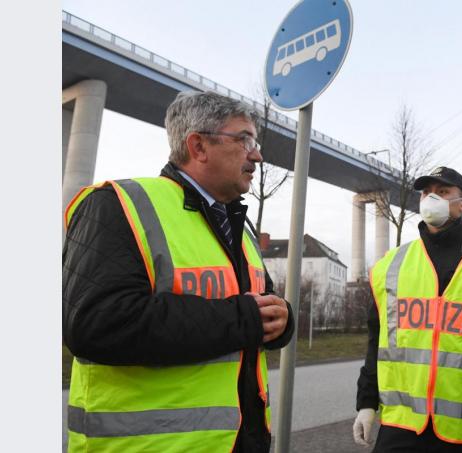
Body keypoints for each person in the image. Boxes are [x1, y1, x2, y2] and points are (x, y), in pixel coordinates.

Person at [63, 91, 295, 452]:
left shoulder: (240, 226)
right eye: (245, 139)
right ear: (199, 146)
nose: (257, 154)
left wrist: (281, 320)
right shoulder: (116, 205)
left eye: (256, 141)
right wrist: (244, 318)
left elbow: (259, 307)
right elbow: (96, 322)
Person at [352, 167, 462, 452]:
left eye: (443, 192)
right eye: (427, 193)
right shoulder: (392, 265)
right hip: (402, 424)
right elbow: (378, 342)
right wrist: (366, 403)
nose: (431, 199)